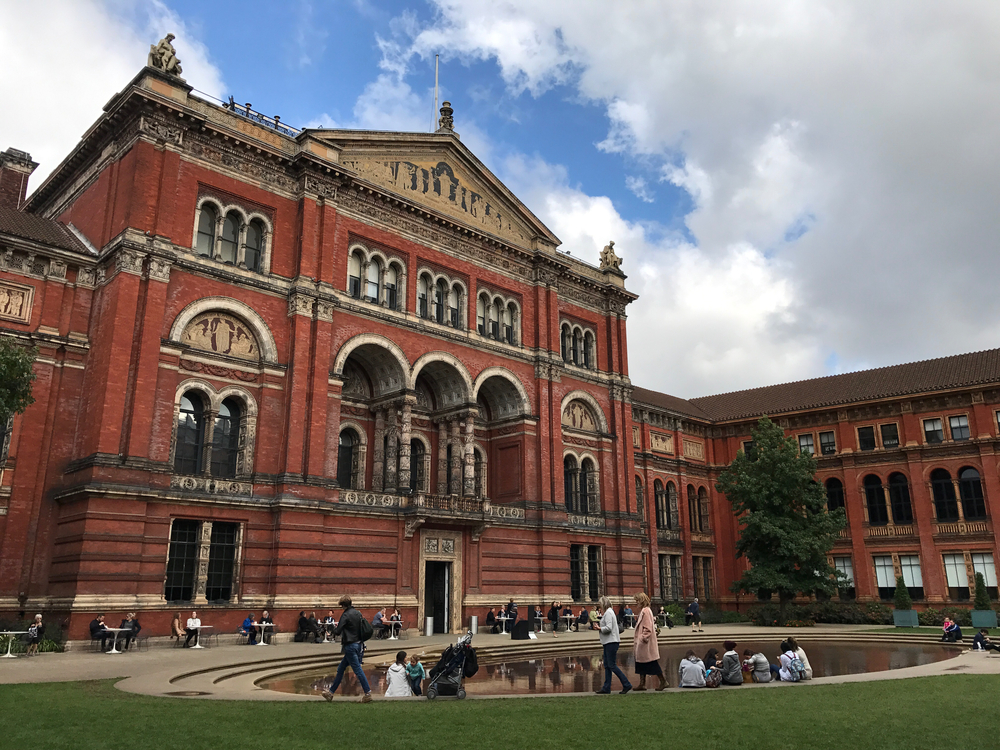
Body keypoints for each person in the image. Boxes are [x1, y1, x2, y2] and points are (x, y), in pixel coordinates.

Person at [322, 595, 373, 703]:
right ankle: (330, 693)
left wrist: (332, 629)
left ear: (343, 605)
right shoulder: (357, 613)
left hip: (350, 645)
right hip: (359, 644)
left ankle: (368, 692)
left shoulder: (345, 615)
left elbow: (339, 630)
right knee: (341, 668)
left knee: (357, 670)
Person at [594, 595, 632, 694]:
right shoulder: (609, 612)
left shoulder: (609, 613)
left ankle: (626, 684)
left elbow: (609, 628)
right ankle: (606, 687)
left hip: (611, 642)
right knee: (607, 665)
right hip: (609, 641)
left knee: (611, 665)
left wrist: (599, 628)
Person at [632, 592, 665, 691]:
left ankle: (663, 681)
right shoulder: (645, 610)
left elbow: (648, 628)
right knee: (641, 663)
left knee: (651, 663)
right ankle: (642, 683)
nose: (636, 603)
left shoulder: (645, 611)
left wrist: (642, 638)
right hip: (644, 644)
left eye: (637, 601)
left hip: (645, 644)